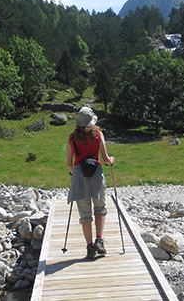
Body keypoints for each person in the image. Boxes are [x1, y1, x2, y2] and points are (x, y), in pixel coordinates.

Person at [67, 106, 115, 259]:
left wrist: (73, 172)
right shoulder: (98, 135)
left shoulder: (72, 138)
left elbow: (69, 162)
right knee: (100, 208)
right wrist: (111, 160)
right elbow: (106, 159)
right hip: (96, 174)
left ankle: (89, 247)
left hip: (79, 174)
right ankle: (99, 240)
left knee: (84, 213)